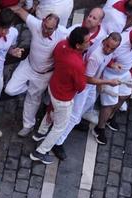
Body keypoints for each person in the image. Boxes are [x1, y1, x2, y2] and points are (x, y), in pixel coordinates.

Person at [30, 27, 91, 164]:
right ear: (78, 45)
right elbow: (81, 86)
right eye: (87, 41)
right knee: (59, 127)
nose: (89, 43)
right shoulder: (77, 64)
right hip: (64, 97)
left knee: (51, 110)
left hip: (54, 86)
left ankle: (40, 132)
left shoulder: (62, 44)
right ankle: (40, 152)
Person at [6, 8, 67, 138]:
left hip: (43, 74)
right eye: (45, 26)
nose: (45, 30)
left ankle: (28, 125)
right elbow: (20, 11)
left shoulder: (62, 34)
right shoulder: (36, 24)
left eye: (50, 29)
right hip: (28, 66)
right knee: (10, 90)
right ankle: (31, 90)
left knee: (33, 100)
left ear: (56, 28)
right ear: (43, 21)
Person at [95, 24, 132, 144]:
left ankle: (110, 118)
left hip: (125, 73)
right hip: (109, 74)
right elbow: (105, 54)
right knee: (110, 103)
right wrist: (112, 65)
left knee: (124, 96)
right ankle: (99, 128)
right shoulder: (121, 41)